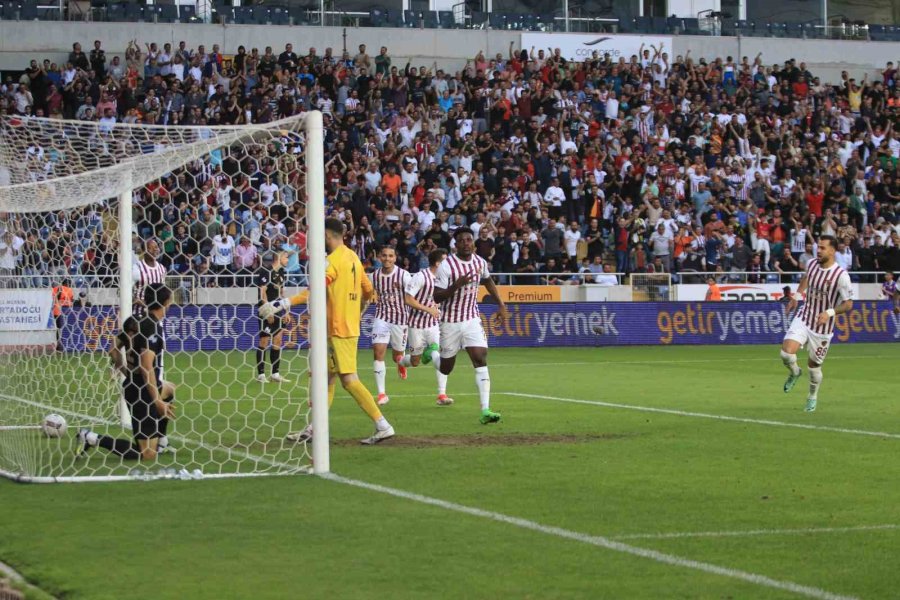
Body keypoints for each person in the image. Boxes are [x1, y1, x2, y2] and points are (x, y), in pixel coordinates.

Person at [260, 218, 394, 445]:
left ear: (328, 236)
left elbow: (316, 289)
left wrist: (282, 304)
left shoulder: (331, 261)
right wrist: (358, 310)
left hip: (336, 328)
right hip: (348, 325)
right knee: (327, 378)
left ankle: (383, 425)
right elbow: (369, 290)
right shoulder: (352, 257)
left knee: (349, 379)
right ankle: (314, 428)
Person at [77, 284, 177, 461]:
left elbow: (113, 349)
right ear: (166, 302)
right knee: (146, 454)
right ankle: (92, 438)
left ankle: (161, 439)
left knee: (169, 389)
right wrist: (157, 402)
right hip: (142, 391)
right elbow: (147, 367)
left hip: (135, 383)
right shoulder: (152, 327)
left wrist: (124, 370)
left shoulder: (135, 320)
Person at [432, 227, 507, 424]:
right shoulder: (446, 266)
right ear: (455, 245)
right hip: (449, 322)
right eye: (462, 240)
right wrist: (456, 285)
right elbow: (436, 296)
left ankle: (485, 410)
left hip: (472, 319)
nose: (466, 243)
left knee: (480, 357)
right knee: (446, 368)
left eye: (469, 240)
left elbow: (488, 281)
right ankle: (432, 354)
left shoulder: (479, 262)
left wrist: (500, 304)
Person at [780, 236, 854, 412]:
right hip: (805, 316)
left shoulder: (841, 276)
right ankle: (794, 372)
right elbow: (806, 278)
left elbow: (848, 304)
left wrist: (829, 313)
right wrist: (797, 297)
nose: (818, 250)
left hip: (823, 327)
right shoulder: (812, 264)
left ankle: (812, 396)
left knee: (814, 367)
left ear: (832, 251)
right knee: (786, 354)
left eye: (822, 248)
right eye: (818, 247)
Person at [398, 248, 453, 406]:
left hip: (434, 324)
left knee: (439, 353)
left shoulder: (445, 279)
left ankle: (441, 395)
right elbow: (408, 299)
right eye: (445, 260)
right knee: (416, 362)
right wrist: (429, 309)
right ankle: (401, 362)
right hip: (416, 324)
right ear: (437, 263)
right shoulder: (421, 277)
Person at [370, 246, 411, 405]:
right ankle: (381, 394)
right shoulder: (374, 277)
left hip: (400, 319)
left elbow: (413, 296)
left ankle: (401, 364)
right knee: (378, 352)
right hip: (382, 318)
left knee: (397, 357)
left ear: (395, 258)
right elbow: (366, 296)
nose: (387, 258)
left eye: (390, 256)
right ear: (380, 257)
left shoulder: (404, 276)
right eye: (384, 255)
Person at [255, 252, 289, 383]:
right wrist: (268, 312)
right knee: (264, 341)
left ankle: (275, 374)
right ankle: (261, 375)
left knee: (278, 340)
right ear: (279, 258)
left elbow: (281, 293)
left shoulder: (282, 273)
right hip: (266, 310)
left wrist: (286, 311)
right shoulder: (265, 271)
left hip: (278, 309)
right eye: (286, 257)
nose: (287, 260)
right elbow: (262, 292)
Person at [133, 238, 166, 316]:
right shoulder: (136, 268)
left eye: (156, 247)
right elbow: (125, 293)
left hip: (156, 316)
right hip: (139, 315)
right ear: (144, 251)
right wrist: (142, 302)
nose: (155, 249)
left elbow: (162, 291)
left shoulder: (162, 268)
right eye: (151, 248)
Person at [51, 278, 74, 352]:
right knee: (65, 328)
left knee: (59, 329)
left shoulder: (55, 289)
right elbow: (71, 301)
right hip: (66, 312)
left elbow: (54, 299)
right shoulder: (69, 290)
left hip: (56, 311)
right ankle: (65, 344)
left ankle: (59, 345)